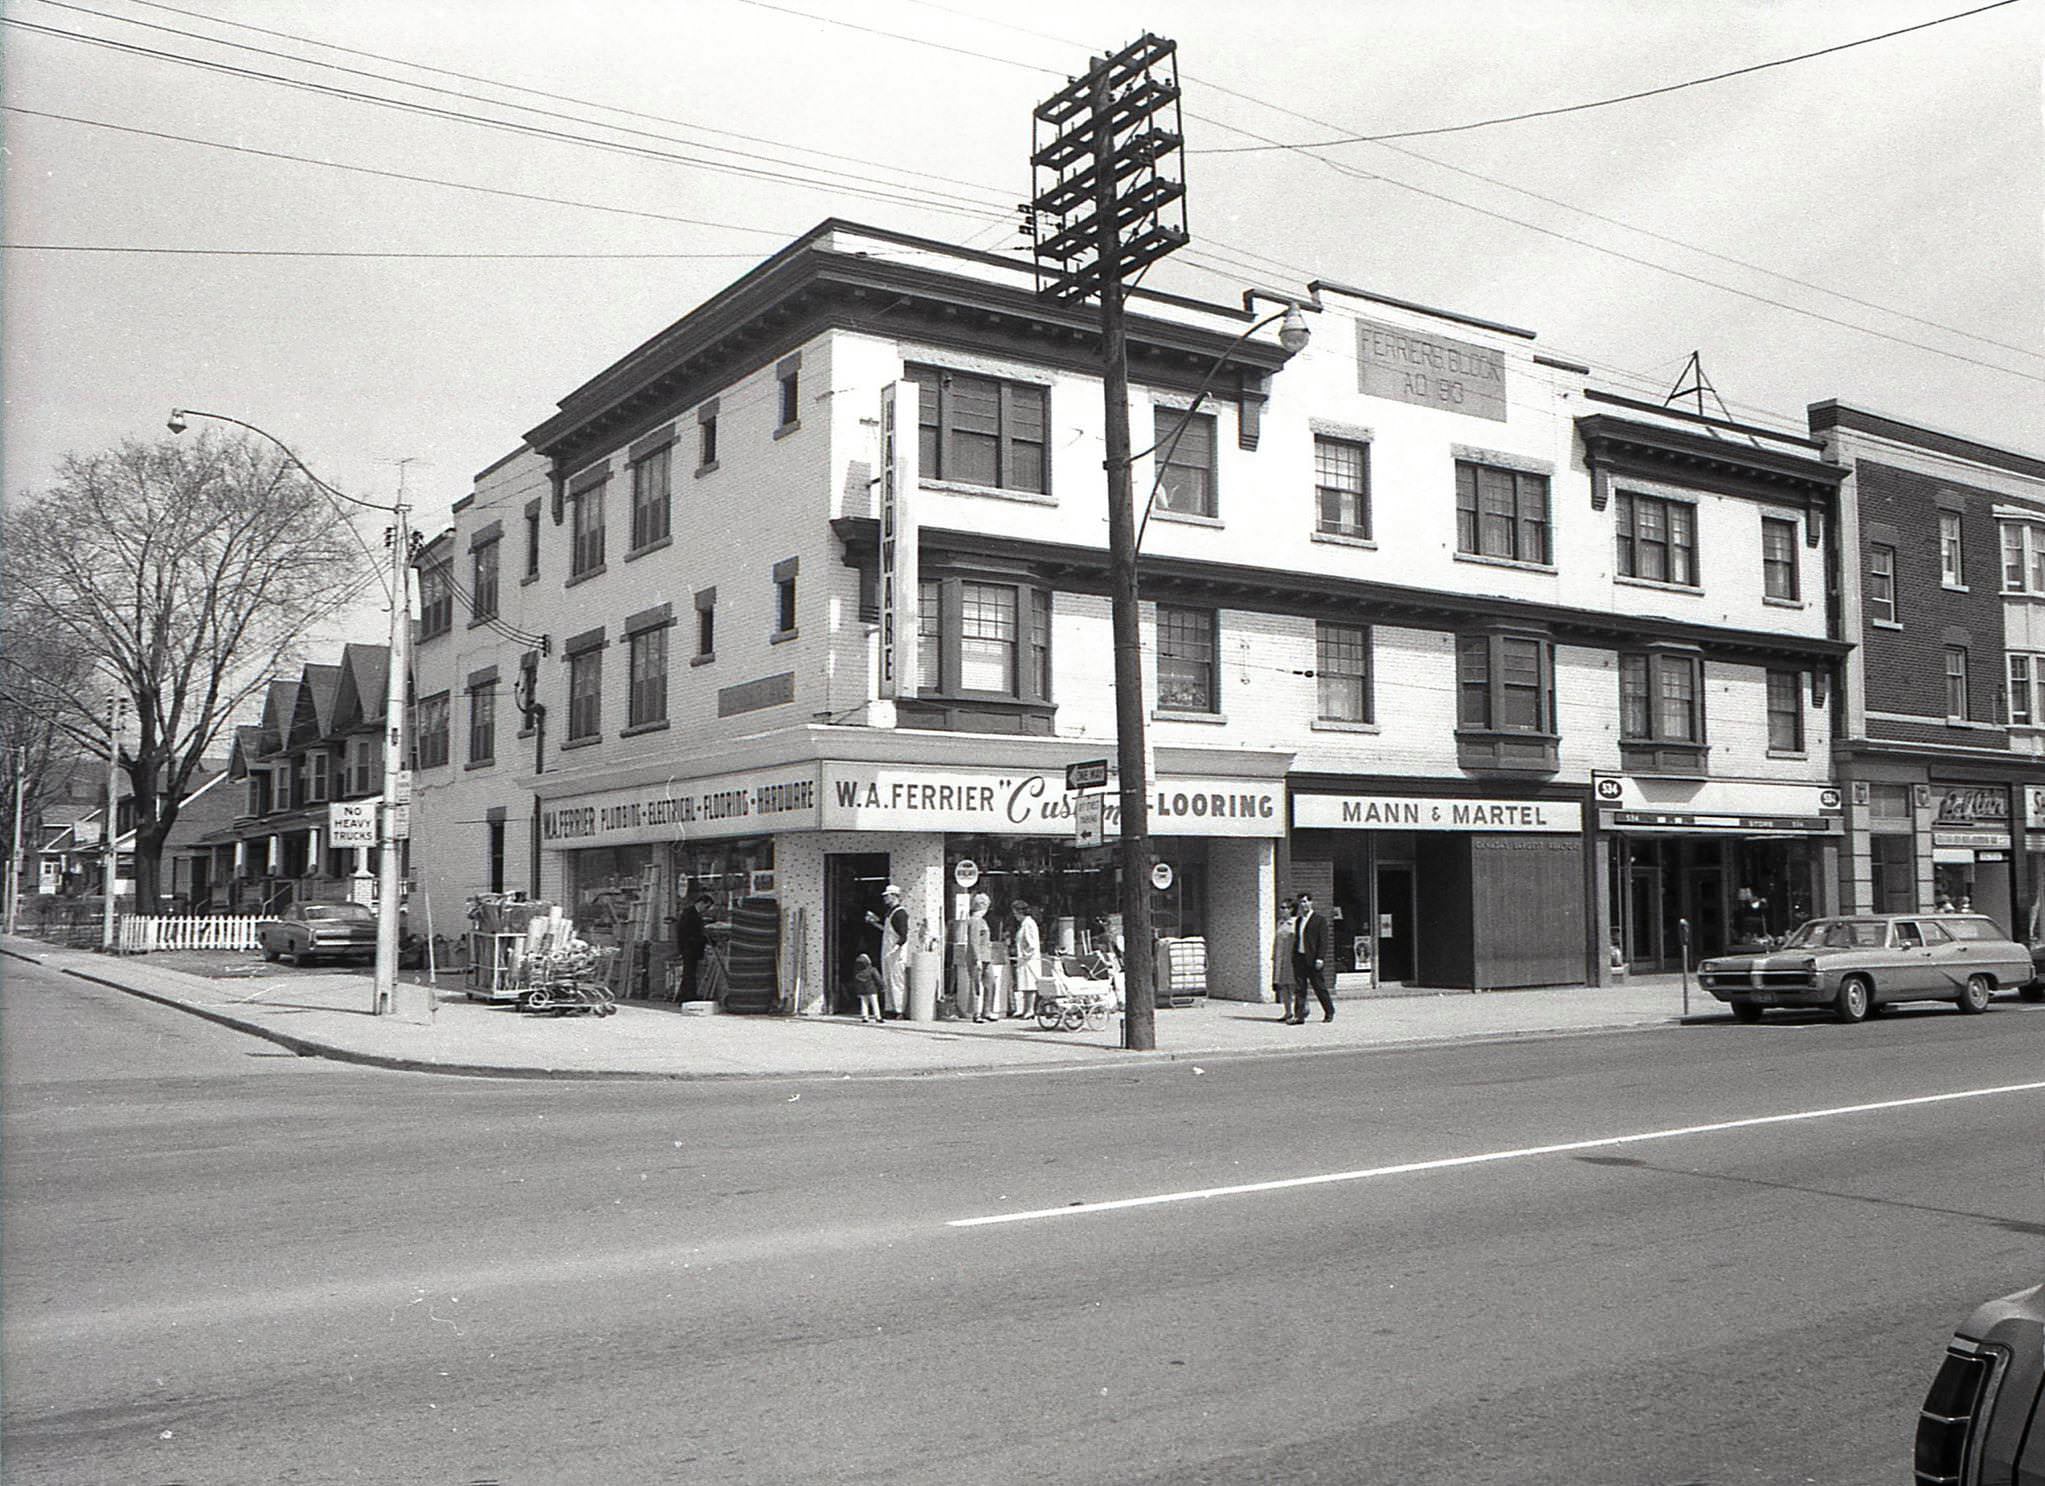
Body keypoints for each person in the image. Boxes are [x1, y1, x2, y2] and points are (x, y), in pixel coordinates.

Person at [864, 883, 911, 1018]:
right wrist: (874, 923)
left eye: (887, 896)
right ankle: (890, 1008)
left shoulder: (900, 913)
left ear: (894, 896)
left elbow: (903, 935)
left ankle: (899, 1010)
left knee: (897, 982)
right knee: (888, 981)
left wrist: (895, 949)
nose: (885, 898)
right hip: (888, 953)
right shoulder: (890, 913)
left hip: (896, 954)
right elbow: (888, 931)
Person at [1288, 891, 1333, 1024]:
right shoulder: (1299, 920)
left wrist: (1320, 958)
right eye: (1301, 902)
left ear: (1311, 902)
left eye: (1306, 901)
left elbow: (1323, 941)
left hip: (1313, 959)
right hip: (1300, 958)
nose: (1303, 905)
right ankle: (1299, 1016)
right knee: (1300, 988)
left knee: (1319, 987)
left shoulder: (1319, 920)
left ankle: (1329, 1011)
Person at [673, 888, 712, 1002]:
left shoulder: (693, 913)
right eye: (706, 907)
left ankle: (683, 996)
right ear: (701, 903)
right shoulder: (690, 914)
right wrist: (704, 940)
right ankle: (689, 996)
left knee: (689, 972)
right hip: (689, 948)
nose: (706, 910)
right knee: (689, 973)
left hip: (692, 948)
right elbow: (688, 933)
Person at [1010, 900, 1042, 1020]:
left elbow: (1031, 944)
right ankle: (1025, 1009)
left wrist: (1024, 955)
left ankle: (1030, 1010)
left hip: (1029, 960)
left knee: (1029, 985)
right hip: (1025, 959)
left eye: (1015, 913)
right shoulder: (1025, 923)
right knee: (1024, 985)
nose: (1014, 916)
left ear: (1019, 912)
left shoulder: (1028, 924)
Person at [968, 892, 997, 1021]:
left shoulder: (981, 921)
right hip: (978, 957)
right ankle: (976, 1013)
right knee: (976, 985)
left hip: (986, 956)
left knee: (991, 983)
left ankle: (987, 1010)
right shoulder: (975, 921)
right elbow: (973, 941)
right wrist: (977, 958)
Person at [1271, 897, 1298, 1020]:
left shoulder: (1296, 922)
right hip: (1281, 959)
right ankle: (1288, 1012)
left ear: (1291, 909)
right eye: (1281, 908)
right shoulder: (1280, 923)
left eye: (1285, 908)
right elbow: (1277, 941)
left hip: (1291, 959)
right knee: (1284, 986)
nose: (1282, 910)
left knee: (1294, 986)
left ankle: (1300, 1011)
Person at [848, 952, 885, 1024]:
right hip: (872, 989)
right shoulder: (872, 970)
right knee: (874, 1003)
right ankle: (878, 1017)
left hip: (862, 990)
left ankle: (865, 1017)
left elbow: (855, 982)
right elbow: (878, 979)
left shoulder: (857, 972)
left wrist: (857, 990)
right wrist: (882, 987)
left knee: (864, 1003)